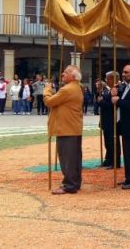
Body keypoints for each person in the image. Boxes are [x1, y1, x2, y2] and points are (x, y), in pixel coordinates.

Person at [43, 65, 84, 195]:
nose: (62, 74)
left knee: (67, 159)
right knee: (74, 158)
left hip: (66, 128)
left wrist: (47, 90)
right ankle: (74, 183)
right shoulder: (77, 87)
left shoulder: (67, 89)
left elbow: (49, 102)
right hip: (73, 128)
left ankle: (69, 185)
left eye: (65, 73)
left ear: (73, 76)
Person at [97, 71, 121, 169]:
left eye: (107, 78)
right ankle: (108, 159)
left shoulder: (117, 89)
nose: (106, 80)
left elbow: (112, 105)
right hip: (105, 119)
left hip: (112, 119)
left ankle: (115, 161)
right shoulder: (108, 89)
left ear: (112, 79)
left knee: (113, 141)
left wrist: (101, 101)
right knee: (107, 141)